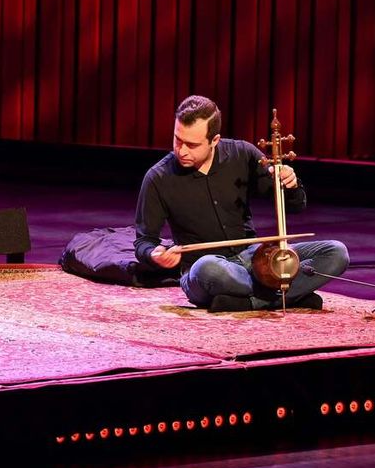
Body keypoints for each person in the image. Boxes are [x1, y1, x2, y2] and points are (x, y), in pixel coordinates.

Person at [134, 95, 349, 312]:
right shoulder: (158, 178)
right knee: (207, 269)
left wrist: (290, 184)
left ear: (214, 140)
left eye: (191, 144)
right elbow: (144, 241)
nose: (181, 150)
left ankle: (251, 301)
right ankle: (286, 295)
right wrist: (154, 254)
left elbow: (295, 206)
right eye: (177, 139)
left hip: (255, 260)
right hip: (206, 271)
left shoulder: (242, 154)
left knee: (336, 253)